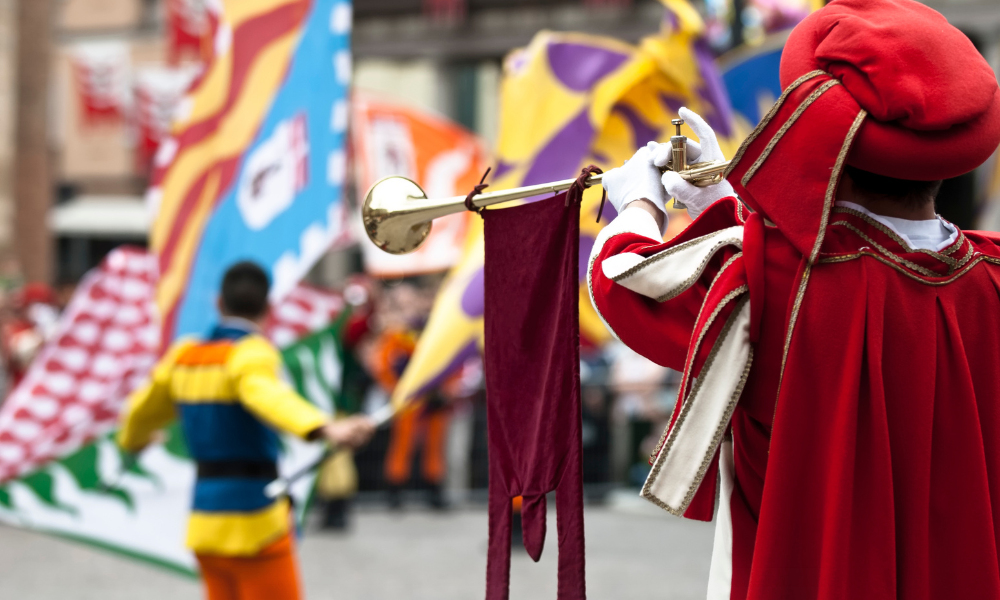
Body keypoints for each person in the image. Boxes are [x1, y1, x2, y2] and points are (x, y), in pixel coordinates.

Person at [590, 1, 1000, 598]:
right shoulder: (989, 276)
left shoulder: (771, 278)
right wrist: (719, 206)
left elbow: (626, 284)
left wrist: (637, 202)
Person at [117, 261, 376, 600]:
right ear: (269, 308)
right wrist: (324, 427)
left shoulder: (184, 356)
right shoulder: (251, 353)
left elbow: (138, 413)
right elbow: (266, 395)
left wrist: (135, 441)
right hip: (255, 522)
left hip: (205, 522)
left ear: (219, 304)